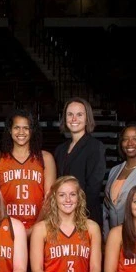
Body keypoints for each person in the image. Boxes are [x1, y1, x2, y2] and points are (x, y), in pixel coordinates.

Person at [0, 110, 56, 235]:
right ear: (10, 130)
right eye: (16, 127)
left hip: (39, 226)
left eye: (26, 128)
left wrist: (35, 229)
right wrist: (6, 225)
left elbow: (50, 199)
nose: (21, 132)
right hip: (5, 227)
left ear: (32, 130)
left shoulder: (45, 158)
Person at [53, 97, 106, 227]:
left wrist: (75, 215)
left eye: (79, 115)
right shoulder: (60, 149)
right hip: (62, 216)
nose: (74, 119)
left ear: (87, 119)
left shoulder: (95, 147)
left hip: (86, 216)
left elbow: (93, 189)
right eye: (70, 114)